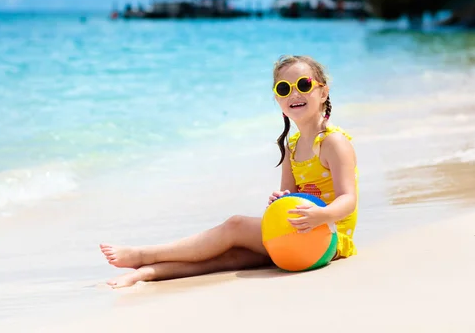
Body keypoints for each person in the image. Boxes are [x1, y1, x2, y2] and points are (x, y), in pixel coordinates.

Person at [100, 55, 359, 288]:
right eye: (284, 89)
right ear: (277, 98)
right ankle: (147, 272)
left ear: (323, 92)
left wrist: (321, 215)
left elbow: (348, 199)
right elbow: (291, 195)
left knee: (235, 225)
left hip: (330, 237)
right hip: (302, 233)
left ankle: (145, 254)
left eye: (303, 85)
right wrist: (280, 200)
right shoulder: (292, 146)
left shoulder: (332, 142)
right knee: (232, 258)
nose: (294, 94)